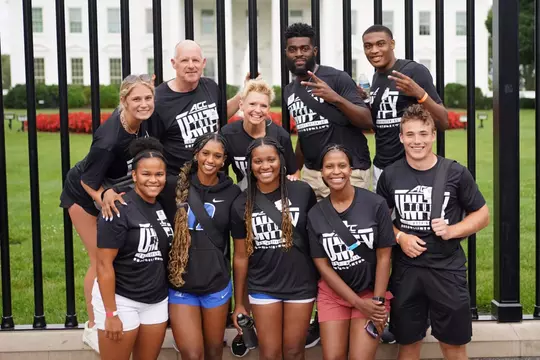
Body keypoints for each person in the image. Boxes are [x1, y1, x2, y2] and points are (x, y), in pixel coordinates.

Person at [376, 105, 489, 360]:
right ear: (401, 137)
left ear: (434, 135)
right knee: (407, 344)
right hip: (407, 271)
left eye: (424, 134)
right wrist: (399, 237)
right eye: (411, 134)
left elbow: (482, 214)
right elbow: (381, 220)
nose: (418, 141)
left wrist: (452, 231)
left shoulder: (455, 172)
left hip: (446, 270)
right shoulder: (391, 175)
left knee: (453, 345)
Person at [59, 74, 154, 352]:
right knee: (99, 260)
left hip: (110, 186)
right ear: (123, 101)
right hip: (83, 195)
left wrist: (148, 83)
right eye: (136, 99)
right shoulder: (109, 139)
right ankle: (92, 326)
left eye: (148, 97)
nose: (143, 103)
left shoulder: (139, 120)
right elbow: (87, 181)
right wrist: (103, 196)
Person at [231, 137, 318, 360]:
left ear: (280, 160)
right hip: (263, 285)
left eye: (271, 159)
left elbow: (315, 238)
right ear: (250, 165)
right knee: (269, 353)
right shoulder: (242, 203)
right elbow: (240, 256)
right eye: (258, 161)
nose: (265, 166)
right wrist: (240, 303)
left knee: (294, 351)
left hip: (300, 283)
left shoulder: (302, 191)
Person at [307, 144, 394, 360]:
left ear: (351, 169)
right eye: (329, 166)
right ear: (321, 172)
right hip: (333, 294)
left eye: (342, 165)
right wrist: (356, 303)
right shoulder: (316, 214)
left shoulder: (375, 204)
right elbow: (322, 264)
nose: (336, 172)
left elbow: (384, 256)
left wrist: (377, 302)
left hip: (371, 293)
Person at [150, 39, 252, 223]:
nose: (191, 66)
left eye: (196, 61)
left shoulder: (209, 87)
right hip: (179, 183)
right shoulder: (160, 100)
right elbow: (152, 147)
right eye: (184, 61)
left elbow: (220, 115)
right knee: (181, 237)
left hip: (212, 178)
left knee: (211, 236)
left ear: (203, 63)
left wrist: (245, 93)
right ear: (174, 64)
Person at [93, 137, 173, 360]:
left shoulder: (160, 204)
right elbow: (103, 263)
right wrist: (111, 313)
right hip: (121, 300)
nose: (153, 180)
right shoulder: (117, 208)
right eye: (146, 174)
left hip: (155, 301)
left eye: (159, 174)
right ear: (134, 176)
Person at [167, 133, 241, 360]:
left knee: (213, 351)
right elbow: (140, 186)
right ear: (196, 154)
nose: (210, 160)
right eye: (206, 153)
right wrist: (107, 193)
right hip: (181, 284)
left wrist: (241, 302)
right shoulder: (173, 186)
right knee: (193, 354)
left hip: (216, 285)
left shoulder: (232, 193)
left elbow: (240, 250)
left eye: (217, 156)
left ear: (224, 160)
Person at [283, 23, 373, 201]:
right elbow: (304, 133)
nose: (299, 53)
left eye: (304, 48)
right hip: (313, 176)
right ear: (286, 53)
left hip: (348, 171)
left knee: (349, 227)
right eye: (293, 49)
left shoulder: (337, 78)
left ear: (314, 51)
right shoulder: (289, 90)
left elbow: (367, 120)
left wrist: (335, 98)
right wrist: (296, 170)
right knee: (317, 227)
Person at [361, 24, 448, 190]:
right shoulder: (376, 78)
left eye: (380, 44)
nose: (374, 50)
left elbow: (443, 121)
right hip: (381, 167)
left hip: (410, 167)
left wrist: (419, 93)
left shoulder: (413, 71)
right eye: (368, 46)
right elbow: (378, 124)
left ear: (392, 44)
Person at [221, 79, 299, 190]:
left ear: (268, 109)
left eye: (263, 106)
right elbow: (219, 170)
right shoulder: (228, 134)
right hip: (245, 195)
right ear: (241, 105)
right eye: (252, 104)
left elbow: (294, 172)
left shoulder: (280, 136)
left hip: (275, 195)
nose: (257, 110)